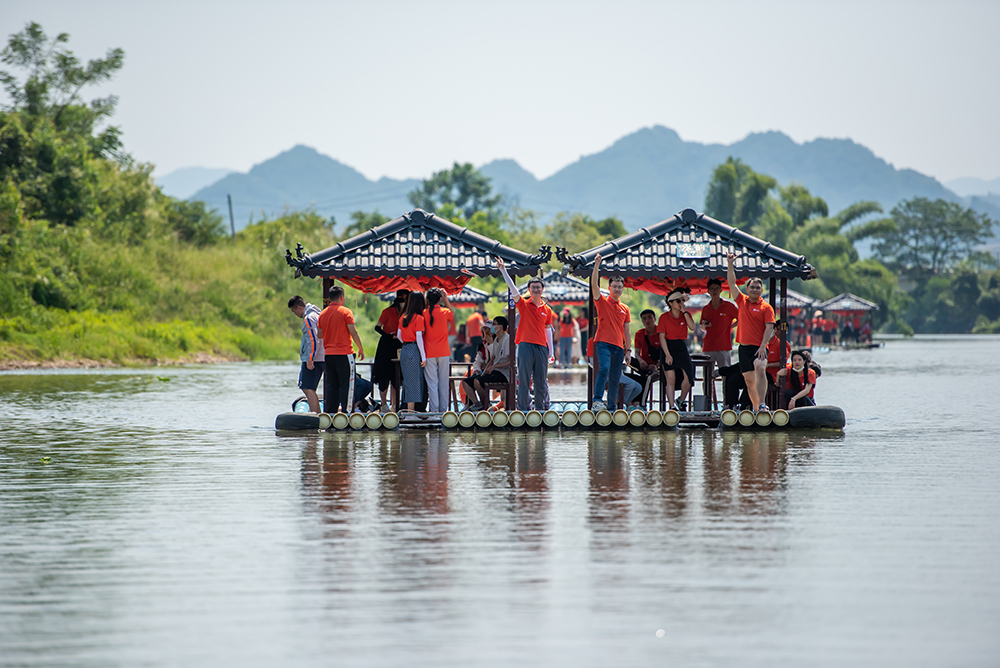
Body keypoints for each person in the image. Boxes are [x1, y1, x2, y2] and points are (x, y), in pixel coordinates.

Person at [496, 258, 555, 411]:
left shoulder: (547, 310)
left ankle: (540, 410)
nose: (536, 290)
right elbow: (513, 289)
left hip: (541, 348)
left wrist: (551, 351)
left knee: (540, 382)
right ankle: (523, 410)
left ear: (542, 289)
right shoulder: (523, 304)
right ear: (529, 290)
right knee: (523, 381)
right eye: (533, 287)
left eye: (538, 287)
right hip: (525, 346)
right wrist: (503, 270)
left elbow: (548, 330)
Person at [726, 252, 775, 413]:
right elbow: (732, 283)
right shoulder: (742, 301)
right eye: (752, 287)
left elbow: (769, 328)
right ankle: (756, 408)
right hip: (744, 347)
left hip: (759, 347)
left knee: (760, 368)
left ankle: (762, 404)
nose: (755, 289)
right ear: (747, 289)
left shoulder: (766, 307)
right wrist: (730, 264)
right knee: (749, 381)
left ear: (761, 289)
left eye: (757, 287)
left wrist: (763, 346)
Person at [590, 253, 631, 411]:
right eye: (614, 286)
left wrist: (628, 350)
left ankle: (612, 407)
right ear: (609, 288)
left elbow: (627, 330)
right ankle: (597, 400)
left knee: (615, 378)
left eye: (620, 287)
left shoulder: (625, 308)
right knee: (604, 369)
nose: (617, 289)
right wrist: (596, 266)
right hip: (603, 343)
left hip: (619, 347)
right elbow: (594, 286)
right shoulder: (602, 302)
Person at [317, 286, 365, 414]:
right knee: (347, 385)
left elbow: (319, 335)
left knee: (331, 385)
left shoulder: (322, 314)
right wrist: (360, 348)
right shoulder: (346, 312)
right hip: (345, 354)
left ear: (330, 298)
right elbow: (353, 332)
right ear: (342, 297)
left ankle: (331, 413)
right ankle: (346, 412)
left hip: (329, 355)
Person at [657, 288, 696, 411]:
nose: (681, 303)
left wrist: (685, 312)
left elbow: (692, 327)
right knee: (671, 379)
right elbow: (662, 337)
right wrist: (667, 354)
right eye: (678, 301)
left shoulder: (686, 315)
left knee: (689, 376)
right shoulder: (664, 317)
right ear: (671, 303)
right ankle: (672, 406)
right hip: (668, 346)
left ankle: (680, 400)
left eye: (682, 301)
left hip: (681, 346)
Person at [463, 316, 511, 410]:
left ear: (500, 327)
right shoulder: (493, 341)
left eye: (494, 325)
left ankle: (485, 405)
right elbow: (489, 359)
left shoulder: (507, 339)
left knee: (477, 382)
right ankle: (478, 404)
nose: (487, 331)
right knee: (467, 382)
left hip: (504, 373)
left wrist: (493, 366)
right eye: (485, 329)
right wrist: (483, 371)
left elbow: (510, 361)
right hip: (494, 371)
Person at [288, 295, 325, 413]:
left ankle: (315, 415)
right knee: (309, 387)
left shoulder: (308, 318)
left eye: (294, 311)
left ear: (299, 307)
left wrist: (310, 358)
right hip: (322, 356)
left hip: (314, 358)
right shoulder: (317, 315)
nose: (295, 314)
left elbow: (313, 339)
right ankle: (318, 413)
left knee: (308, 388)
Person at [373, 291, 407, 412]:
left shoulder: (406, 313)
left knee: (396, 375)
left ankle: (394, 404)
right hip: (387, 344)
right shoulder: (387, 311)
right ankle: (383, 404)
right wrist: (389, 335)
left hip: (399, 344)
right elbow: (377, 327)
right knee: (384, 375)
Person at [422, 288, 455, 412]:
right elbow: (452, 314)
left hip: (429, 352)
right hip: (443, 352)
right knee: (444, 383)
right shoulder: (445, 312)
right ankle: (443, 411)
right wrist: (446, 300)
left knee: (432, 384)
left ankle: (434, 411)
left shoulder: (423, 313)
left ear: (427, 300)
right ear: (440, 299)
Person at [699, 277, 739, 372]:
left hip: (724, 345)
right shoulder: (705, 309)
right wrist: (704, 326)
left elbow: (741, 319)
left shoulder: (729, 306)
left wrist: (729, 327)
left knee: (726, 373)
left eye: (717, 288)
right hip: (709, 346)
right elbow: (702, 327)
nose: (714, 291)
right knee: (708, 374)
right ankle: (710, 383)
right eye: (712, 289)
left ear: (721, 290)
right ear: (708, 291)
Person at [397, 291, 427, 412]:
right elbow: (419, 338)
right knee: (414, 382)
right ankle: (411, 411)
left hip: (405, 349)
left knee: (408, 381)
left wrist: (406, 341)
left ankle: (408, 409)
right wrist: (423, 357)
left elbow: (399, 336)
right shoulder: (419, 318)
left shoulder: (403, 318)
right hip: (414, 350)